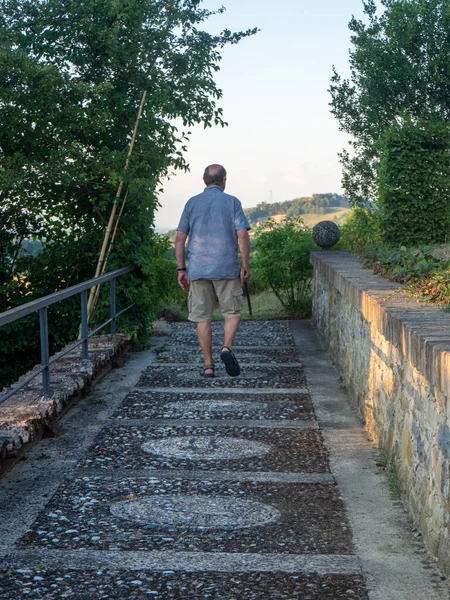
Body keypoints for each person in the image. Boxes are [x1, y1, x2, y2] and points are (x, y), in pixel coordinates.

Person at [175, 164, 251, 378]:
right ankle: (226, 348)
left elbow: (180, 238)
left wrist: (182, 268)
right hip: (227, 268)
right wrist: (245, 265)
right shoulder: (232, 202)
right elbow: (243, 235)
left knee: (202, 318)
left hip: (198, 269)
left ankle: (208, 366)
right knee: (232, 312)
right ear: (224, 180)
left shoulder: (192, 203)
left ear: (204, 180)